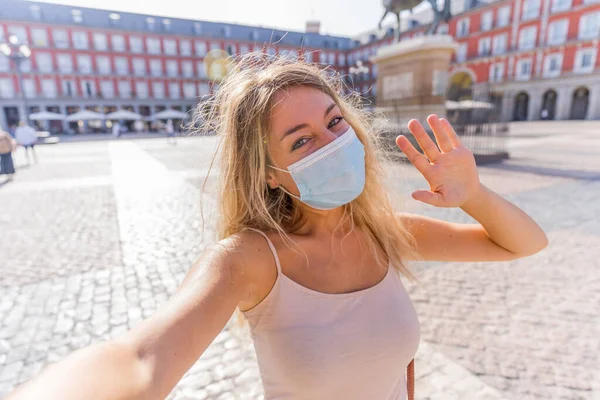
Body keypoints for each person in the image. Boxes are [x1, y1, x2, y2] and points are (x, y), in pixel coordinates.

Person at [6, 54, 548, 400]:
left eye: (335, 124)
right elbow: (141, 361)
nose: (333, 143)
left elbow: (524, 244)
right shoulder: (248, 259)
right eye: (302, 140)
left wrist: (473, 195)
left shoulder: (389, 233)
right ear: (271, 173)